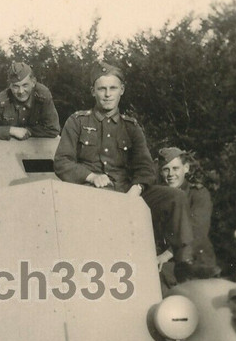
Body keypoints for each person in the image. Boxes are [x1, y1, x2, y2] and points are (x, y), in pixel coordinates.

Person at [54, 61, 209, 280]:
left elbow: (145, 167)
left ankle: (184, 262)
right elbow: (62, 162)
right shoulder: (77, 122)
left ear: (122, 91)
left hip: (128, 192)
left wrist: (136, 189)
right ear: (93, 91)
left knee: (175, 196)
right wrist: (91, 176)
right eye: (102, 89)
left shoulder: (131, 126)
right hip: (90, 195)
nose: (107, 94)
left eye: (113, 88)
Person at [158, 147, 220, 285]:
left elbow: (196, 231)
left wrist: (166, 255)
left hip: (196, 266)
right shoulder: (160, 197)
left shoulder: (198, 194)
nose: (170, 174)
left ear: (185, 168)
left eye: (175, 168)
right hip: (169, 267)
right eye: (165, 169)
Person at [0, 61, 60, 140]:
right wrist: (10, 130)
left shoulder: (42, 95)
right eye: (16, 86)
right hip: (6, 149)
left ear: (33, 82)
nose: (21, 91)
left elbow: (53, 129)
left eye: (25, 85)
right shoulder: (1, 100)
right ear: (10, 86)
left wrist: (29, 131)